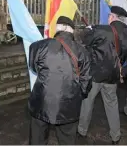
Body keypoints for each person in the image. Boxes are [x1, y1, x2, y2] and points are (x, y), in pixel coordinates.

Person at [78, 6, 127, 145]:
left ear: (112, 17)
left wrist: (88, 30)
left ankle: (82, 130)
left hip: (95, 75)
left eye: (109, 15)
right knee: (112, 104)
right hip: (113, 77)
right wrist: (123, 73)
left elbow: (84, 41)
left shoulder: (101, 30)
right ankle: (115, 136)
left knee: (87, 101)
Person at [28, 16, 92, 145]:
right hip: (69, 104)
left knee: (37, 139)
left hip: (42, 102)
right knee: (67, 139)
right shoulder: (82, 51)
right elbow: (86, 81)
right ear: (71, 30)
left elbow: (34, 68)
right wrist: (78, 95)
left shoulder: (38, 46)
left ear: (59, 27)